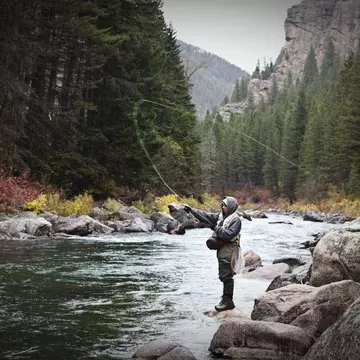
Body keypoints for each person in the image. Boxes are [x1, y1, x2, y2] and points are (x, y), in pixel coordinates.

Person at [184, 196, 242, 312]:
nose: (223, 207)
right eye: (222, 205)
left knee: (227, 274)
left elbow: (228, 235)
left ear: (231, 207)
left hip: (230, 248)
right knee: (223, 273)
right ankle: (225, 299)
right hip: (222, 248)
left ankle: (228, 301)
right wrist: (192, 210)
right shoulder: (220, 216)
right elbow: (205, 216)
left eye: (225, 205)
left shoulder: (236, 220)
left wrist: (215, 227)